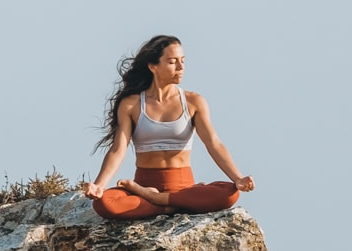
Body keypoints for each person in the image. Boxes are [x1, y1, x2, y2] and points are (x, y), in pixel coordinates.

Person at [84, 34, 255, 220]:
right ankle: (172, 205)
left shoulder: (193, 102)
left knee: (229, 192)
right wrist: (99, 185)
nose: (181, 67)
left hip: (183, 187)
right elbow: (118, 149)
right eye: (173, 62)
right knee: (103, 203)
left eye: (183, 61)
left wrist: (238, 179)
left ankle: (157, 200)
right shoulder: (131, 104)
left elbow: (214, 143)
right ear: (153, 66)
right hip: (145, 184)